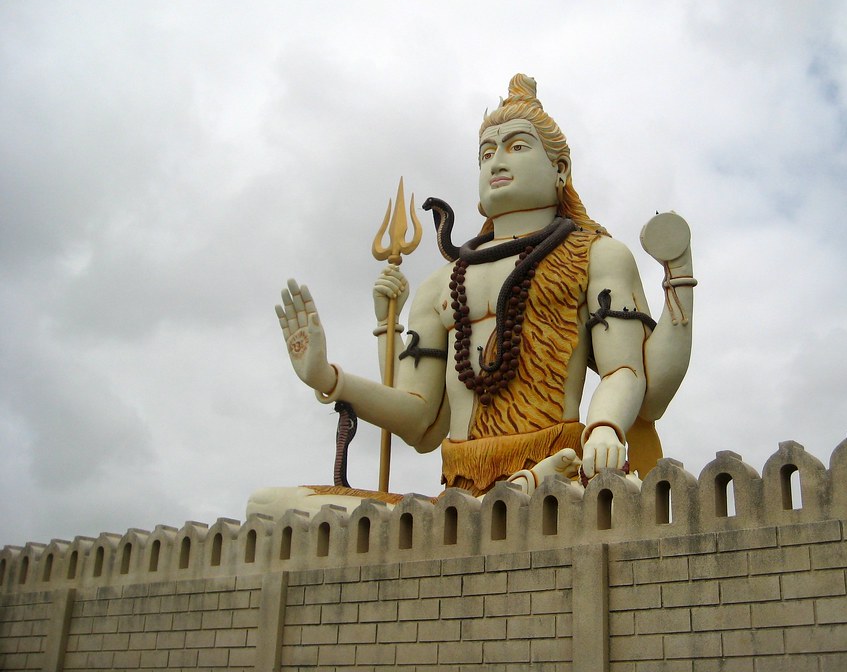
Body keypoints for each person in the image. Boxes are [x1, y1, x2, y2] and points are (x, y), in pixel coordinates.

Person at [273, 75, 692, 503]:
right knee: (272, 506)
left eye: (517, 146)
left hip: (555, 481)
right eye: (486, 153)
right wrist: (328, 377)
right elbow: (422, 422)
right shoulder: (441, 283)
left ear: (560, 170)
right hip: (462, 494)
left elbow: (627, 373)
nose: (496, 162)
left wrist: (604, 427)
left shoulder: (595, 255)